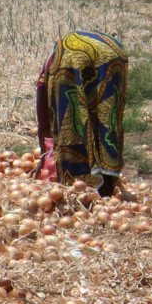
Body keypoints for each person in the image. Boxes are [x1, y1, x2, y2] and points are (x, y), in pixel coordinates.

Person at [35, 31, 129, 196]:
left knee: (69, 126)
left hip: (74, 57)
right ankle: (108, 185)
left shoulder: (50, 71)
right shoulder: (52, 59)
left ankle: (76, 190)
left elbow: (44, 124)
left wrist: (45, 156)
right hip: (115, 52)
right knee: (108, 118)